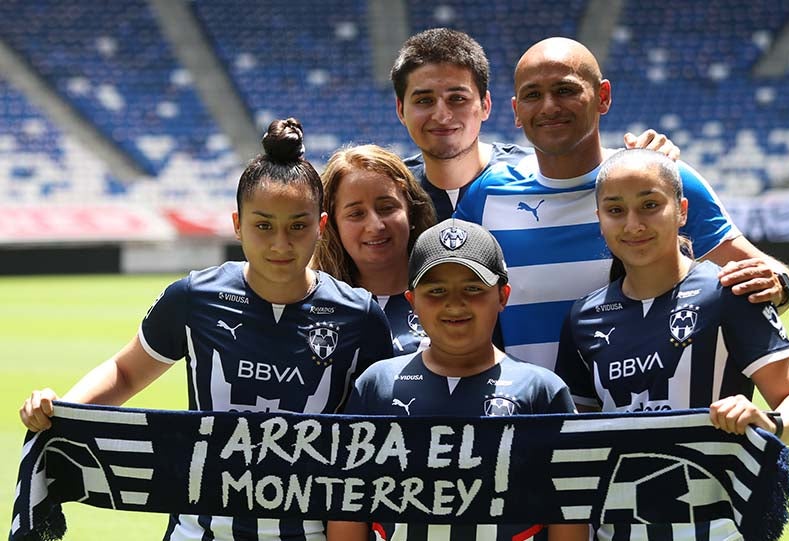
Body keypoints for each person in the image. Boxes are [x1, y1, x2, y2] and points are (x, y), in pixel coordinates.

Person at [19, 118, 394, 541]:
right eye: (264, 225)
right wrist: (61, 409)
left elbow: (390, 433)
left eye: (298, 225)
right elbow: (125, 373)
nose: (280, 244)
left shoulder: (358, 316)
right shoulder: (194, 297)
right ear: (238, 223)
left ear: (321, 226)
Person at [455, 37, 789, 369]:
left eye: (566, 90)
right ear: (516, 111)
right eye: (533, 95)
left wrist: (778, 286)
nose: (549, 106)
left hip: (641, 419)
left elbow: (770, 274)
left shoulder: (658, 182)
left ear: (602, 96)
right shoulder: (486, 195)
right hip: (530, 419)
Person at [555, 148, 789, 540]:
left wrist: (766, 421)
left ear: (681, 210)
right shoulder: (583, 316)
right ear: (599, 220)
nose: (633, 224)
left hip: (718, 529)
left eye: (649, 205)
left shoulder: (729, 292)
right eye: (615, 210)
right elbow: (578, 448)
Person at [327, 218, 588, 541]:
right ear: (412, 302)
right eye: (436, 290)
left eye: (473, 288)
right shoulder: (377, 385)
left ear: (503, 295)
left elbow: (569, 513)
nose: (454, 303)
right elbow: (348, 508)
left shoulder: (542, 391)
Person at [392, 27, 679, 221]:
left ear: (486, 105)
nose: (442, 115)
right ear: (401, 110)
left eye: (457, 98)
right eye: (424, 101)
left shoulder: (539, 175)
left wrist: (650, 164)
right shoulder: (389, 194)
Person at [312, 144, 436, 355]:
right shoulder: (311, 304)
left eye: (387, 208)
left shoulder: (447, 299)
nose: (376, 226)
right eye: (356, 214)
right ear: (332, 224)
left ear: (411, 211)